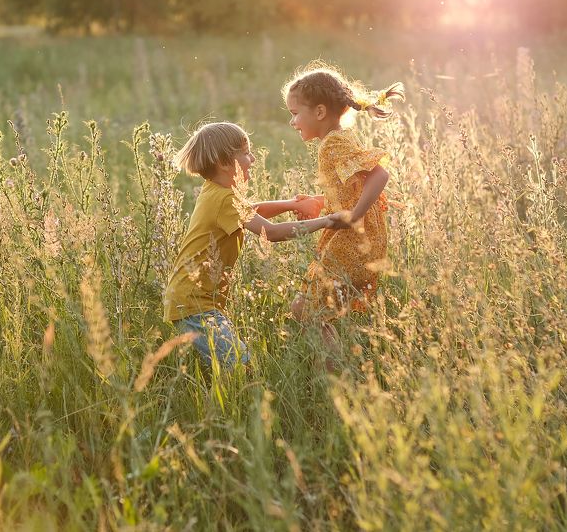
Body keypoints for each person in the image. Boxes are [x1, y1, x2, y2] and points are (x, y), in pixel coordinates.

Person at [164, 121, 338, 370]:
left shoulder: (216, 191)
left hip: (194, 301)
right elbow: (272, 232)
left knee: (232, 365)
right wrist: (327, 221)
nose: (253, 159)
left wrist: (293, 204)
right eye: (245, 153)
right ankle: (228, 408)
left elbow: (251, 210)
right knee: (240, 366)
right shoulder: (224, 199)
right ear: (224, 163)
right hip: (193, 305)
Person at [282, 61, 405, 320]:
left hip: (352, 240)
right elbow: (353, 185)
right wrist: (323, 200)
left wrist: (354, 215)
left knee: (307, 311)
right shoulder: (340, 137)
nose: (292, 121)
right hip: (361, 240)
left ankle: (331, 361)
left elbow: (379, 174)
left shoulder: (333, 143)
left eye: (295, 113)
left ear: (319, 112)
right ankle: (332, 360)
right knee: (315, 312)